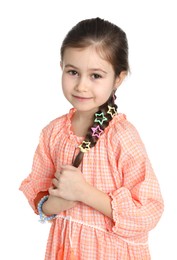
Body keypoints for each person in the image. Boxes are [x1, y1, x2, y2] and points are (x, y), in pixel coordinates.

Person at [19, 17, 164, 260]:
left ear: (118, 78)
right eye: (73, 72)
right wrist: (56, 204)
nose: (81, 86)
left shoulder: (122, 137)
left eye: (96, 75)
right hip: (65, 251)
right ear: (61, 67)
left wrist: (84, 193)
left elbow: (149, 211)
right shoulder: (53, 133)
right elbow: (39, 197)